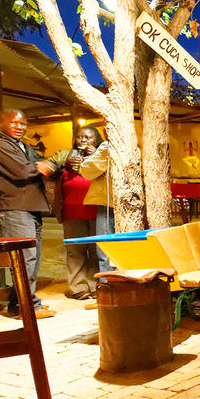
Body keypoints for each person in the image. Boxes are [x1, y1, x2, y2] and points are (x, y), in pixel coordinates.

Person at [0, 109, 57, 318]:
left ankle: (22, 303)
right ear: (1, 123)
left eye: (23, 124)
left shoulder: (22, 146)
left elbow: (44, 164)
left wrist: (48, 164)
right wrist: (42, 165)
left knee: (31, 258)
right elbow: (24, 171)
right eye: (15, 123)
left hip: (30, 207)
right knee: (25, 259)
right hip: (14, 208)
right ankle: (27, 307)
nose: (20, 127)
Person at [48, 126, 103, 300]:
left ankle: (96, 286)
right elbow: (50, 167)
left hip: (97, 211)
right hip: (72, 212)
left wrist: (95, 156)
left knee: (96, 251)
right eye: (80, 137)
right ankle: (78, 287)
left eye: (88, 137)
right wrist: (65, 164)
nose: (83, 140)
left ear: (97, 140)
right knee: (75, 251)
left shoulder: (101, 155)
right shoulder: (67, 155)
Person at [79, 138, 115, 272]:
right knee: (108, 248)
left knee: (106, 248)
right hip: (113, 203)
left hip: (111, 204)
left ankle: (108, 286)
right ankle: (110, 284)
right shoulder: (107, 147)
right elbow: (89, 171)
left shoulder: (107, 147)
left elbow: (87, 170)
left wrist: (95, 157)